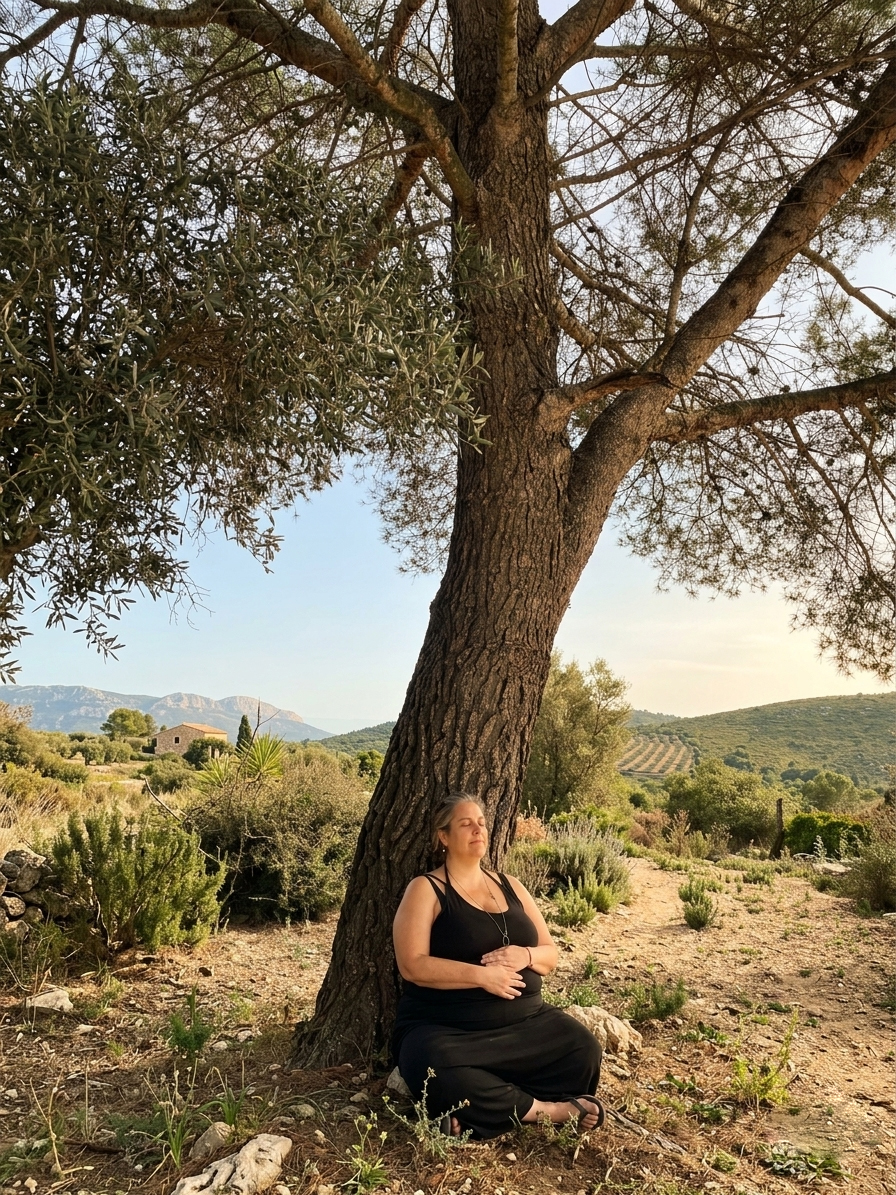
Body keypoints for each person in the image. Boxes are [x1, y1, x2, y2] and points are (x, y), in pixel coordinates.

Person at [392, 792, 604, 1140]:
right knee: (434, 1065)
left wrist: (527, 955)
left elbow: (550, 954)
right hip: (449, 1029)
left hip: (527, 1024)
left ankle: (476, 1111)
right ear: (443, 837)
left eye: (482, 822)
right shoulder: (426, 888)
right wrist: (481, 977)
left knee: (583, 1050)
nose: (478, 830)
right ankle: (547, 1111)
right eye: (466, 824)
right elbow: (412, 965)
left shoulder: (512, 886)